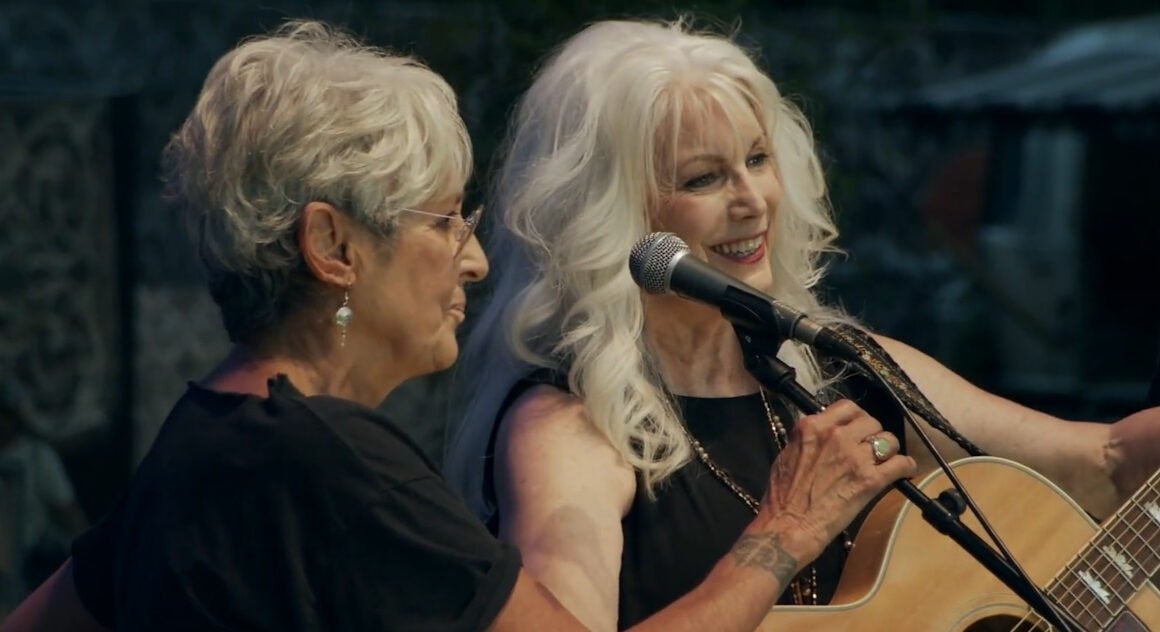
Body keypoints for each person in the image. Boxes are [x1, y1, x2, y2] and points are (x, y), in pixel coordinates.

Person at [1, 19, 912, 632]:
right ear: (333, 245)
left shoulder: (202, 436)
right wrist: (784, 533)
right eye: (443, 222)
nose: (473, 262)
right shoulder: (336, 463)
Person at [444, 17, 1160, 631]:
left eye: (758, 160)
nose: (752, 199)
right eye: (703, 178)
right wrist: (789, 530)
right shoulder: (570, 425)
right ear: (612, 216)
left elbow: (1104, 467)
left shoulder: (840, 367)